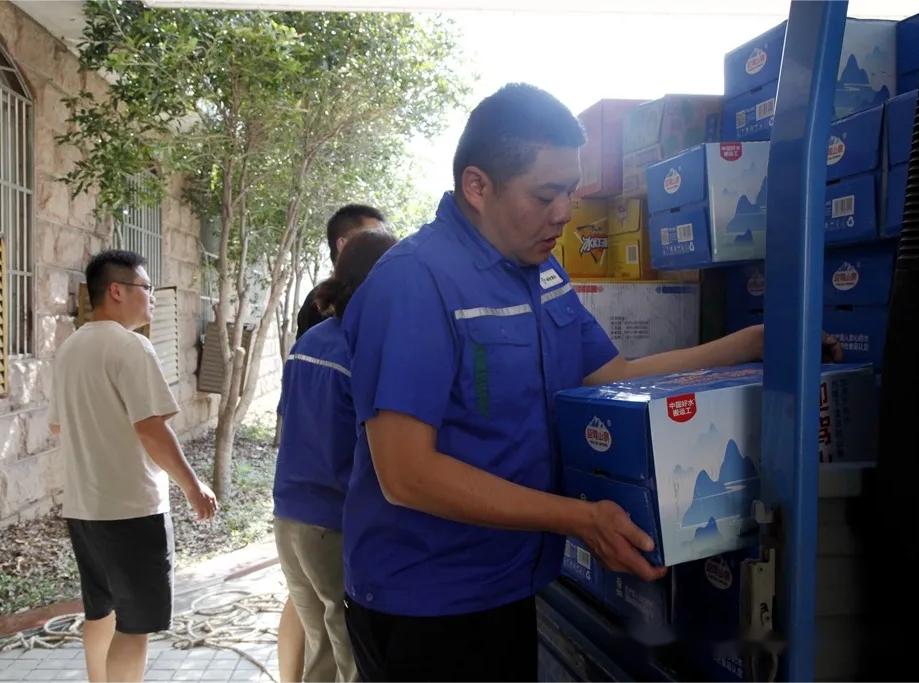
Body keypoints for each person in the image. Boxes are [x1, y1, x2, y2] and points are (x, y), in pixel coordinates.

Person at [339, 83, 844, 682]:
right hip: (428, 603)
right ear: (477, 186)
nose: (564, 213)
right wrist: (578, 518)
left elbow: (616, 377)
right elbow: (406, 474)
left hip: (509, 582)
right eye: (545, 194)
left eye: (571, 191)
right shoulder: (413, 282)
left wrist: (751, 343)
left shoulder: (541, 273)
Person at [48, 249, 218, 683]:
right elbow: (151, 429)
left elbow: (58, 426)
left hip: (84, 508)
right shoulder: (131, 346)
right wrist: (192, 486)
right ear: (117, 291)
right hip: (131, 510)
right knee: (134, 624)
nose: (153, 298)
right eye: (146, 288)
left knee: (100, 611)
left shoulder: (70, 348)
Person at [274, 228, 398, 683]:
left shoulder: (308, 342)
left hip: (289, 521)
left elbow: (288, 421)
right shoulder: (364, 349)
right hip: (334, 525)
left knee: (322, 652)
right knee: (350, 658)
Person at [295, 204, 386, 339]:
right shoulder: (318, 304)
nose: (382, 246)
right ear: (343, 244)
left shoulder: (379, 294)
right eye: (373, 237)